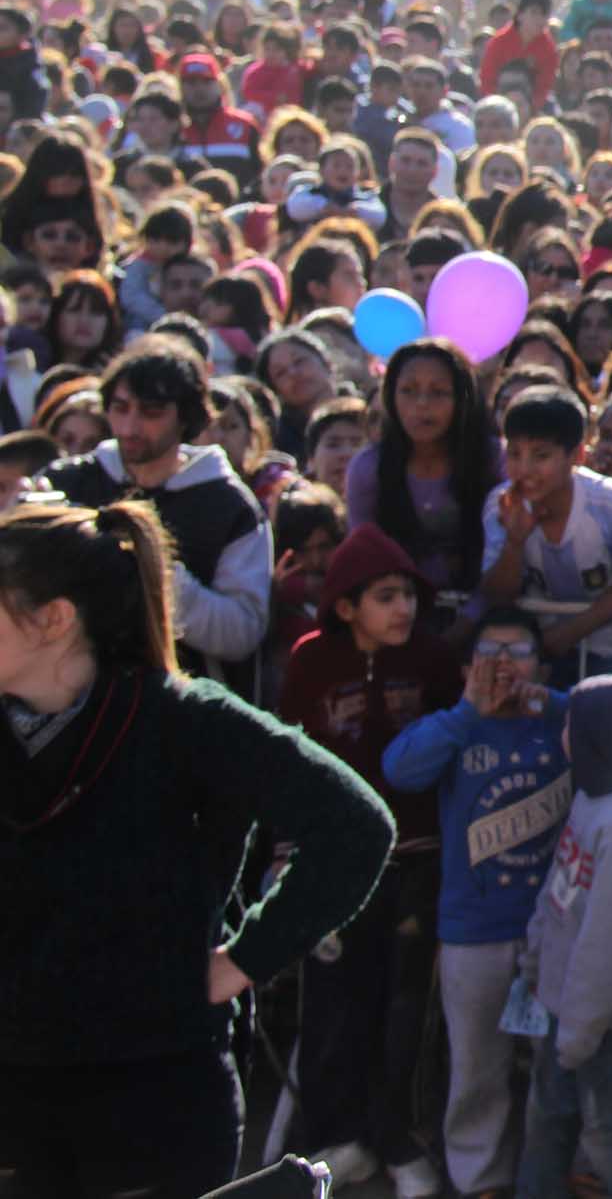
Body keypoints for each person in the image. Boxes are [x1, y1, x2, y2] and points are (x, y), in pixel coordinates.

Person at [0, 499, 394, 1199]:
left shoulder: (183, 719)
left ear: (54, 619)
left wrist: (242, 960)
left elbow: (355, 825)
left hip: (152, 1097)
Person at [274, 524, 462, 1195]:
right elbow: (289, 763)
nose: (403, 609)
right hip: (334, 867)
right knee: (333, 1010)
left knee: (404, 1012)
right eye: (386, 596)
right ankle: (335, 1142)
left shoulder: (436, 661)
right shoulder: (308, 661)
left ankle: (395, 1139)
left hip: (415, 862)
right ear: (347, 605)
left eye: (408, 594)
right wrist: (284, 856)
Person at [381, 610, 570, 1199]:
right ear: (467, 669)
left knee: (560, 1065)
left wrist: (555, 703)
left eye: (520, 654)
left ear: (542, 665)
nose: (507, 667)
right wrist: (468, 712)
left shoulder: (564, 725)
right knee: (476, 1070)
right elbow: (399, 770)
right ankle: (480, 1181)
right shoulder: (454, 728)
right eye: (491, 654)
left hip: (553, 930)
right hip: (473, 931)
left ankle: (555, 1174)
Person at [514, 675, 612, 1199]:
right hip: (564, 1013)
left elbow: (609, 945)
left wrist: (578, 1034)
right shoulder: (591, 798)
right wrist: (534, 961)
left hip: (602, 1030)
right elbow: (559, 891)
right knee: (546, 1128)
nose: (563, 732)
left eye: (571, 724)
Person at [40, 339, 272, 687]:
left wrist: (155, 572)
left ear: (186, 418)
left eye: (151, 413)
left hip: (175, 708)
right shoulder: (67, 483)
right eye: (120, 408)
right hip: (68, 696)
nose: (130, 427)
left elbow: (240, 633)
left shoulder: (229, 508)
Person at [481, 388, 612, 683]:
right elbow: (497, 595)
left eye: (541, 455)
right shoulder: (500, 506)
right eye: (514, 454)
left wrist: (571, 631)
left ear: (577, 454)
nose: (524, 469)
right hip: (534, 657)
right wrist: (514, 543)